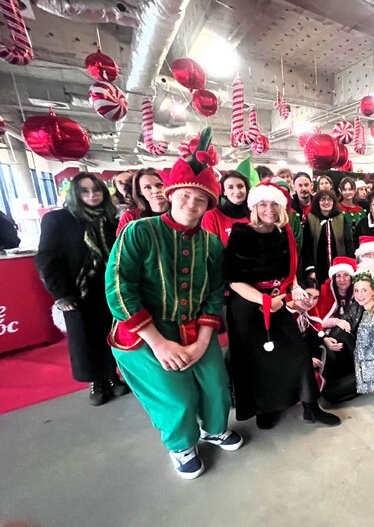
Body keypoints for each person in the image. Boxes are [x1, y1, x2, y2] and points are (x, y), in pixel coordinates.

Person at [105, 129, 241, 479]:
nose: (191, 205)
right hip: (144, 332)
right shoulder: (139, 231)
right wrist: (159, 343)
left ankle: (214, 429)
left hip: (196, 326)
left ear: (209, 205)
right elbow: (118, 288)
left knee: (215, 384)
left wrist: (204, 341)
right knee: (176, 397)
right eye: (185, 196)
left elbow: (214, 292)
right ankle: (181, 444)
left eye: (201, 200)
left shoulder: (212, 244)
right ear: (171, 195)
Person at [225, 180, 340, 430]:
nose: (269, 209)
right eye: (263, 204)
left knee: (298, 352)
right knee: (260, 361)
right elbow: (234, 281)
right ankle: (266, 408)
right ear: (255, 207)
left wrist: (296, 288)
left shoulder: (282, 233)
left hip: (277, 300)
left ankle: (310, 406)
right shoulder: (241, 233)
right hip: (248, 307)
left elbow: (291, 272)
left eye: (274, 204)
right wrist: (266, 301)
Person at [37, 172, 127, 406]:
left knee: (111, 333)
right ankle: (96, 382)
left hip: (109, 288)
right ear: (75, 194)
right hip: (79, 290)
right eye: (85, 191)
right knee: (85, 339)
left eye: (96, 190)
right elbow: (47, 259)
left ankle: (112, 376)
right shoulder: (59, 219)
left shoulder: (110, 219)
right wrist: (61, 295)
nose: (92, 195)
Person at [321, 265, 374, 403]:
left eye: (364, 290)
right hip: (358, 356)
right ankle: (349, 373)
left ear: (373, 291)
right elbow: (345, 321)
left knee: (329, 393)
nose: (360, 295)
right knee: (338, 331)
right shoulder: (357, 306)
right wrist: (334, 327)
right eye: (356, 290)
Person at [302, 190, 355, 283]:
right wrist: (310, 270)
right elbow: (307, 247)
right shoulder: (311, 219)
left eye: (329, 199)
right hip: (318, 269)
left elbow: (349, 243)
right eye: (323, 199)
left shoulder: (341, 218)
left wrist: (349, 265)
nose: (326, 202)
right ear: (317, 202)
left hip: (339, 269)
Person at [201, 170, 250, 246]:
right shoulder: (212, 215)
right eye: (230, 187)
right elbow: (209, 247)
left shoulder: (254, 213)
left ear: (246, 189)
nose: (237, 191)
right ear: (224, 192)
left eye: (240, 186)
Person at [116, 168, 168, 235]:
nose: (155, 191)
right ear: (140, 191)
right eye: (147, 187)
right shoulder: (130, 217)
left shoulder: (180, 213)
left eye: (160, 185)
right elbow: (122, 240)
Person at [317, 256, 357, 321]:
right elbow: (318, 319)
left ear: (351, 277)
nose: (342, 279)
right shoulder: (324, 291)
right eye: (338, 276)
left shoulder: (358, 292)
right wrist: (334, 322)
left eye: (346, 275)